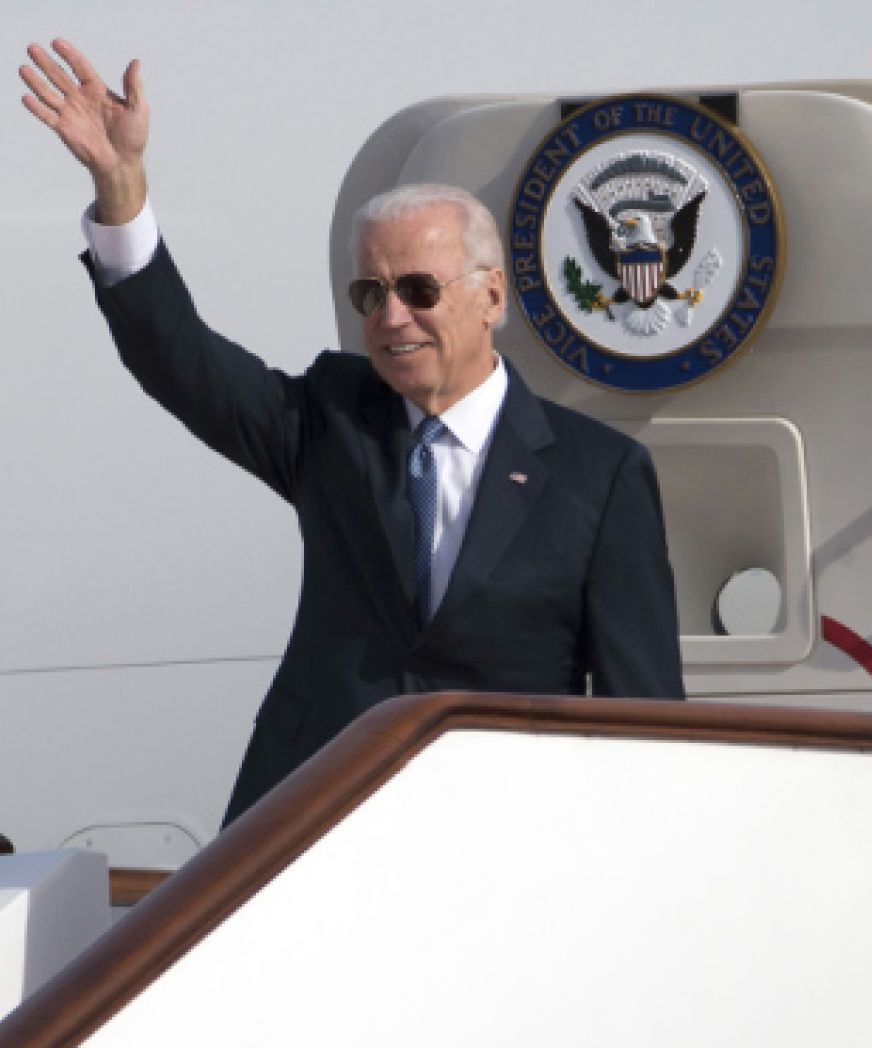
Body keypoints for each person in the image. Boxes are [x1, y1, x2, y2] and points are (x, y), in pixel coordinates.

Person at [21, 40, 684, 825]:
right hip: (313, 819)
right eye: (371, 292)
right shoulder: (332, 420)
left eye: (418, 289)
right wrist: (120, 188)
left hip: (505, 837)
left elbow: (645, 717)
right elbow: (181, 361)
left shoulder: (598, 476)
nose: (390, 316)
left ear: (492, 296)